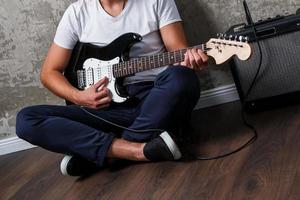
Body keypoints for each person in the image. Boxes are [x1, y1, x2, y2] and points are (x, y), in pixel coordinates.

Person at [16, 0, 208, 177]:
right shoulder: (77, 13)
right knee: (26, 119)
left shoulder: (156, 1)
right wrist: (79, 97)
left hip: (154, 100)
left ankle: (101, 153)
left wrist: (189, 60)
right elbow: (49, 72)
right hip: (103, 109)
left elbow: (178, 52)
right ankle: (137, 150)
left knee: (182, 78)